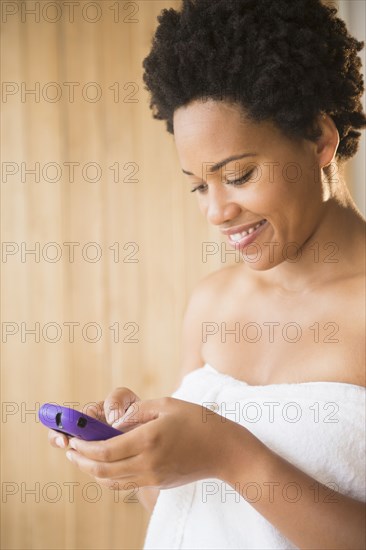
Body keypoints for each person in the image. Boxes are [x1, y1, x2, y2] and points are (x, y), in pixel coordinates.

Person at [48, 0, 366, 548]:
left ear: (320, 138)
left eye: (238, 175)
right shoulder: (212, 303)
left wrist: (228, 452)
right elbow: (182, 507)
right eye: (199, 185)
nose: (216, 212)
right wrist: (139, 449)